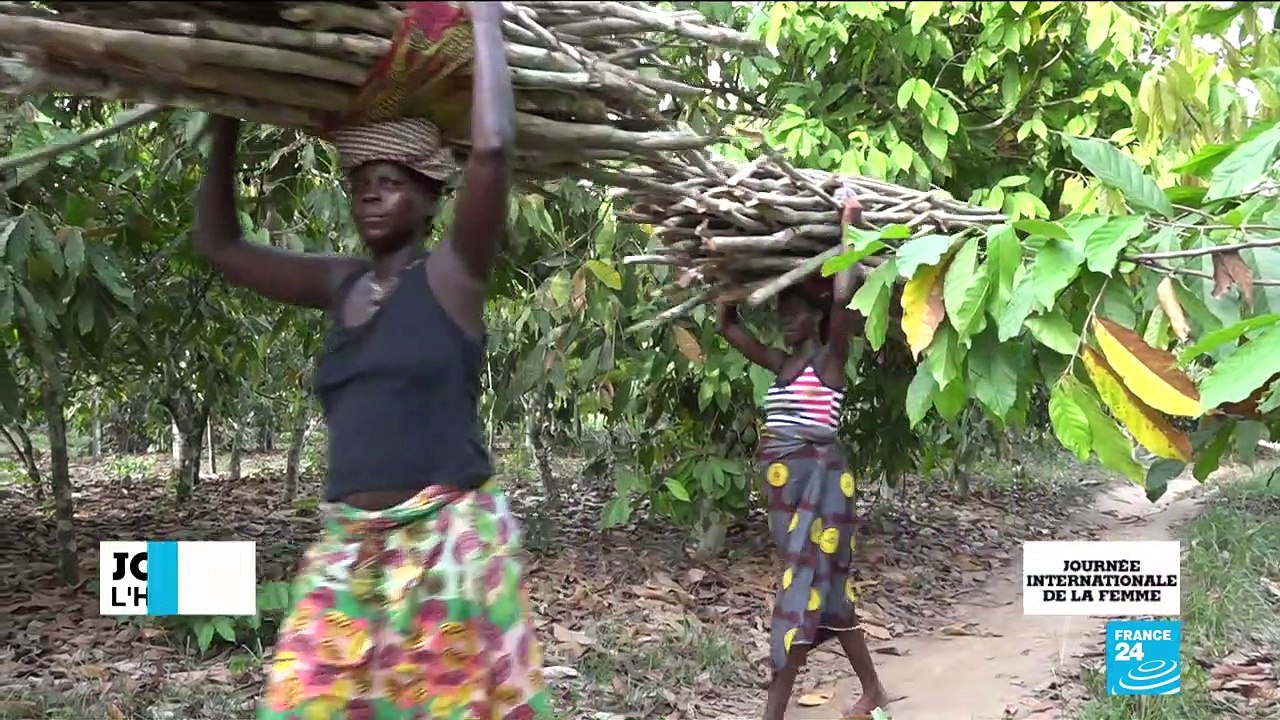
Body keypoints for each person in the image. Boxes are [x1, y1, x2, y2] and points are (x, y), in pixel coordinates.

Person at [193, 4, 552, 719]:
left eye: (389, 180)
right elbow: (221, 246)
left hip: (445, 542)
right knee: (306, 699)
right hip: (348, 545)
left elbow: (493, 152)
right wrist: (227, 110)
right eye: (360, 182)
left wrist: (483, 14)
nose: (370, 194)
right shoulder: (340, 284)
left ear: (428, 197)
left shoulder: (453, 278)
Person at [715, 197, 888, 720]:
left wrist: (848, 230)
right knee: (829, 598)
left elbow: (843, 298)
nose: (784, 323)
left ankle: (773, 711)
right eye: (780, 314)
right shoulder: (781, 363)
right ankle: (874, 692)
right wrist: (721, 275)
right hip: (790, 497)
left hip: (823, 489)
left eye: (793, 314)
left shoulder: (830, 361)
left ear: (815, 319)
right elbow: (728, 328)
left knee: (799, 591)